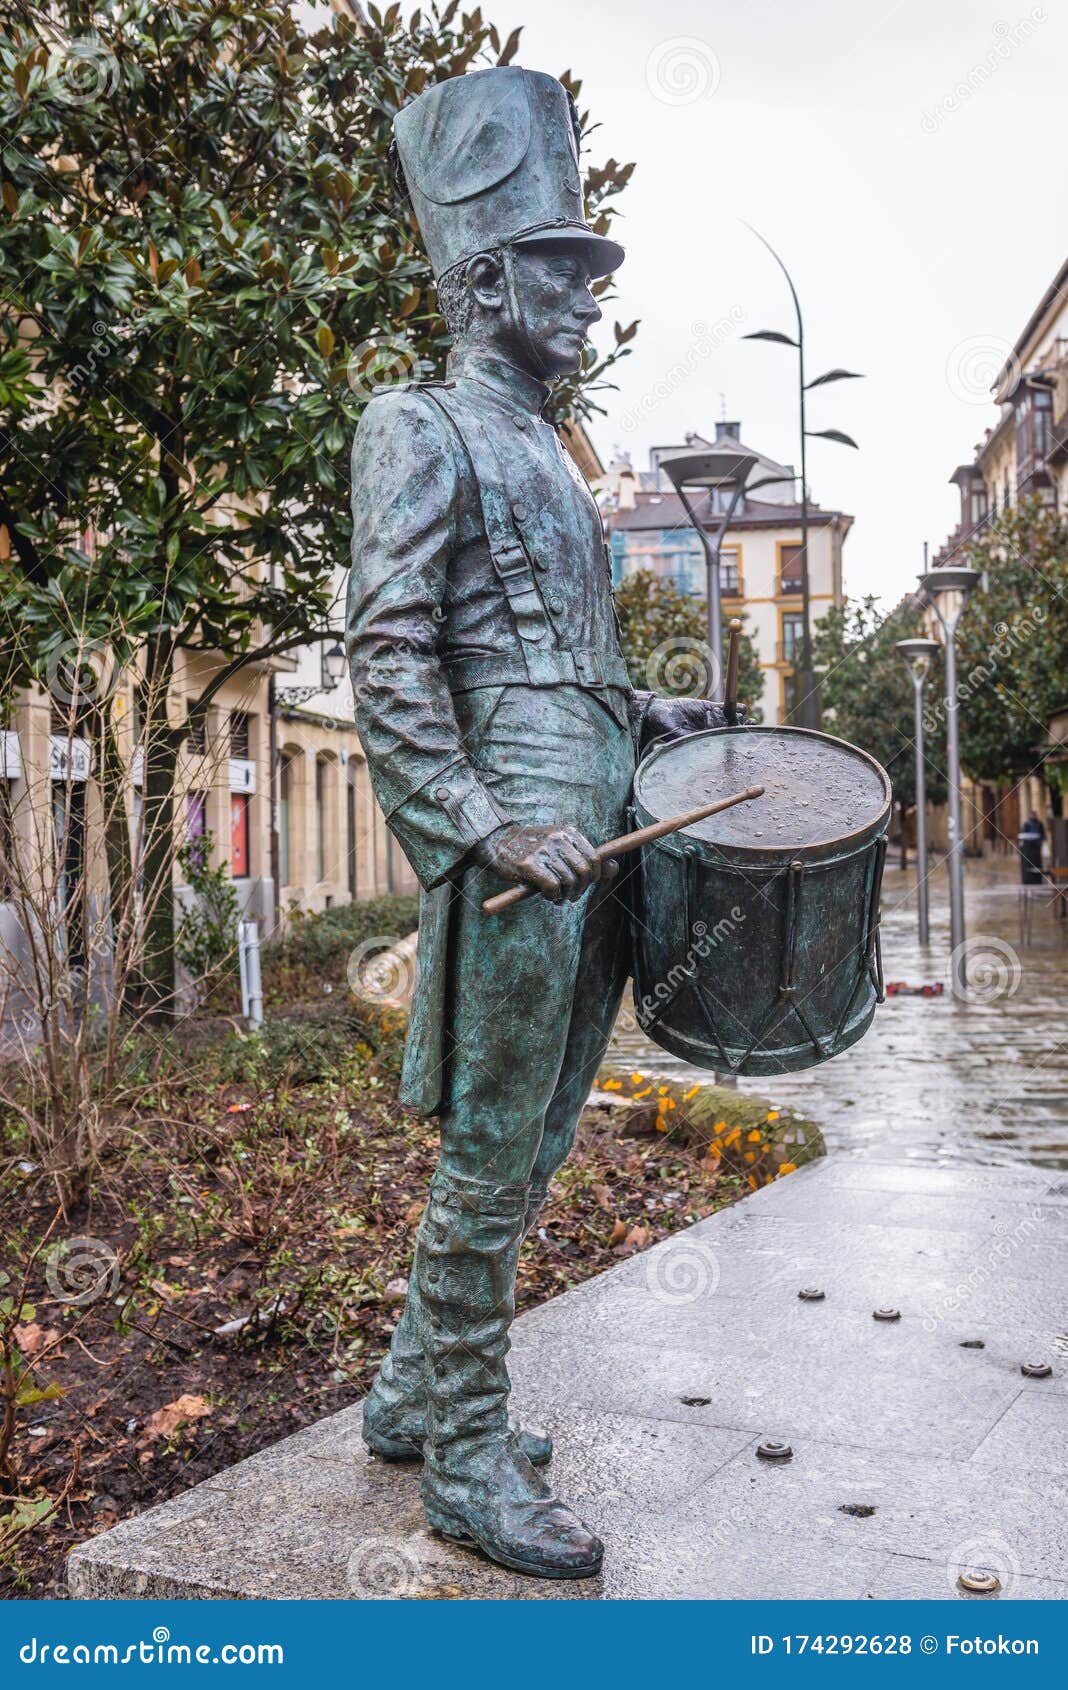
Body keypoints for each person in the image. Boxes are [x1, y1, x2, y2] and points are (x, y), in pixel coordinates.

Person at [346, 65, 730, 1580]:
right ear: (488, 276)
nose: (585, 300)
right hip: (520, 836)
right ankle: (463, 1462)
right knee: (494, 1152)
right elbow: (392, 653)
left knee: (544, 1133)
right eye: (563, 274)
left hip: (591, 817)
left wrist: (651, 719)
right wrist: (482, 824)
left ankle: (408, 1390)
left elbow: (560, 649)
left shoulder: (556, 459)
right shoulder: (416, 421)